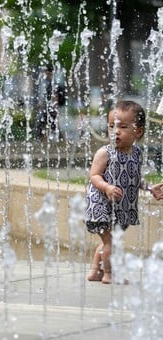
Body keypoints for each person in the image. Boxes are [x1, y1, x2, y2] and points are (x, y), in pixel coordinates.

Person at [85, 100, 161, 284]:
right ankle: (110, 274)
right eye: (112, 126)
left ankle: (96, 270)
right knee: (112, 242)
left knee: (108, 242)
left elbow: (134, 178)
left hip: (120, 206)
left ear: (138, 131)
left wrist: (149, 188)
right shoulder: (105, 152)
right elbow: (94, 176)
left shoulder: (136, 153)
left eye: (122, 126)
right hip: (100, 204)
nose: (115, 131)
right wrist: (107, 187)